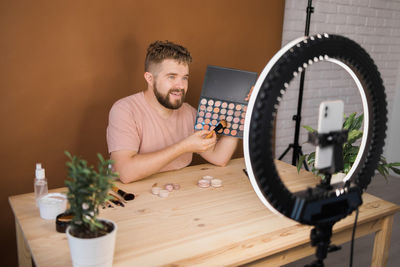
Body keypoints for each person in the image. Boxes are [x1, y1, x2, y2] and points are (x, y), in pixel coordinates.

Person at [107, 40, 239, 183]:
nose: (181, 86)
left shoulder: (189, 113)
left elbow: (219, 158)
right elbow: (126, 173)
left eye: (184, 78)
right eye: (171, 77)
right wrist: (183, 147)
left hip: (175, 192)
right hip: (130, 195)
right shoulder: (124, 110)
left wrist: (241, 113)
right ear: (150, 79)